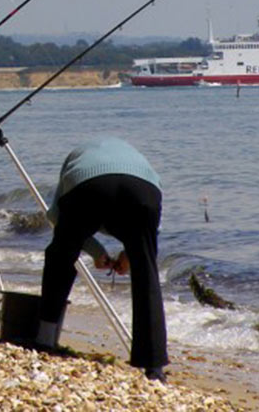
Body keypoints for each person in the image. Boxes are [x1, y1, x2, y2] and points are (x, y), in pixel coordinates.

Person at [37, 136, 168, 382]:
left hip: (89, 185)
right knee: (146, 273)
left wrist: (96, 252)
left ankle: (44, 339)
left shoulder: (76, 158)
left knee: (60, 254)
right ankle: (154, 366)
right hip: (144, 190)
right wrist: (129, 256)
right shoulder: (137, 159)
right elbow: (152, 233)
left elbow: (55, 216)